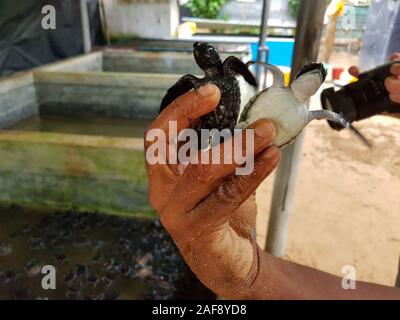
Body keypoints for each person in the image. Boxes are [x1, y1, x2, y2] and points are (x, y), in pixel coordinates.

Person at [144, 55, 400, 299]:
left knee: (238, 170)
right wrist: (255, 276)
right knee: (226, 160)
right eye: (310, 75)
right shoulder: (282, 87)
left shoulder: (307, 112)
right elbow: (271, 71)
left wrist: (254, 276)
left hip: (258, 149)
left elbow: (329, 114)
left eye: (316, 80)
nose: (312, 81)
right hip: (241, 134)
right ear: (298, 76)